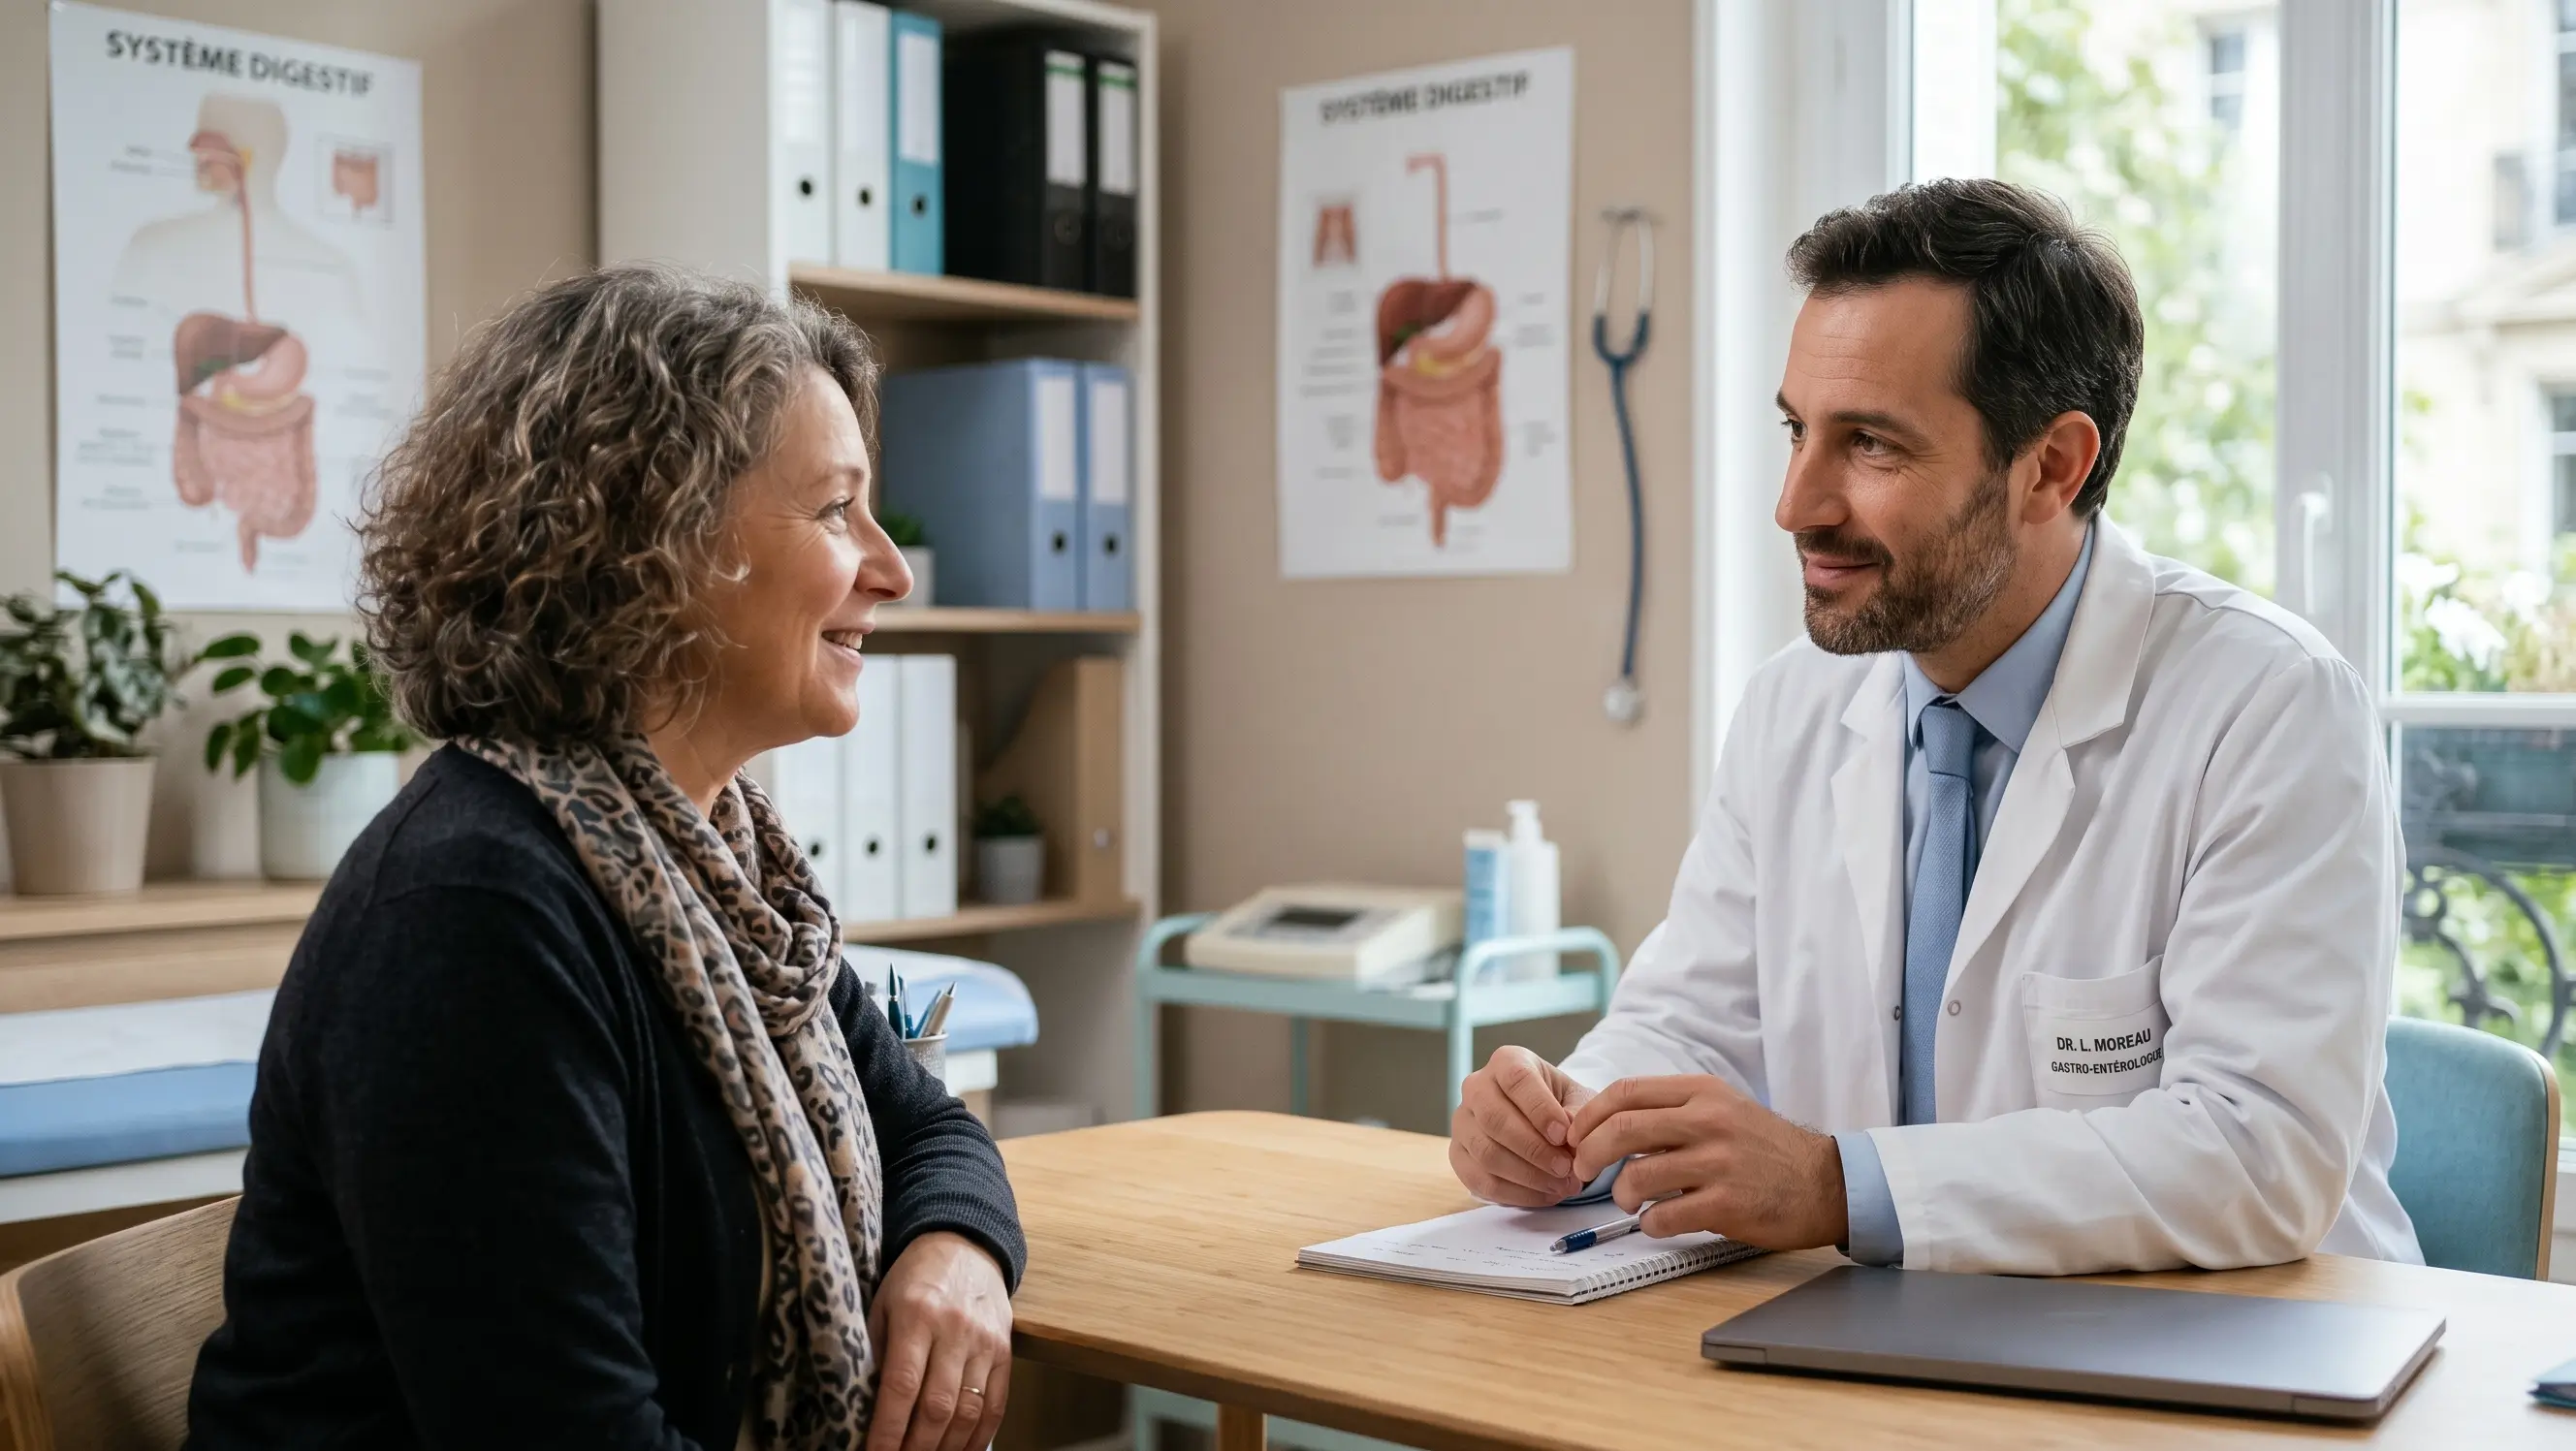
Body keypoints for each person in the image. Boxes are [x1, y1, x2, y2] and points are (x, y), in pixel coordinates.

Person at [1448, 178, 2422, 1277]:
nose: (1795, 503)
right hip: (1875, 1338)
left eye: (1867, 445)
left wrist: (1834, 1186)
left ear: (2049, 467)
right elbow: (1689, 1026)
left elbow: (2258, 1156)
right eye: (1794, 431)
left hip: (2234, 1355)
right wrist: (1568, 1119)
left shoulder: (2267, 708)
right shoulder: (1792, 706)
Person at [185, 264, 1024, 1451]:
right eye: (836, 511)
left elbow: (928, 1127)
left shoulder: (718, 872)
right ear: (660, 539)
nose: (888, 569)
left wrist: (956, 1250)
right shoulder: (474, 912)